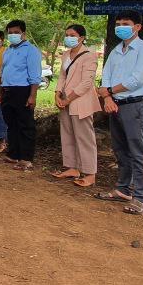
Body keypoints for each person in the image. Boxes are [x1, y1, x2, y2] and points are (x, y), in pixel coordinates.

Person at [96, 10, 143, 215]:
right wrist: (107, 98)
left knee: (138, 151)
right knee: (120, 149)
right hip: (114, 105)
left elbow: (137, 80)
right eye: (118, 24)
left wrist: (109, 91)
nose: (120, 27)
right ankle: (123, 189)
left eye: (126, 24)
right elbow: (106, 75)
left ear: (137, 27)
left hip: (134, 106)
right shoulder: (116, 50)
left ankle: (140, 197)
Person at [52, 24, 100, 188]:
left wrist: (69, 99)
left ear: (81, 37)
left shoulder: (89, 56)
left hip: (80, 101)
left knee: (84, 137)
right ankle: (73, 167)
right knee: (67, 134)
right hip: (65, 99)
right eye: (67, 35)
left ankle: (90, 173)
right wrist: (58, 93)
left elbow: (86, 82)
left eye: (72, 35)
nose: (68, 38)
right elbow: (62, 76)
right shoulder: (66, 54)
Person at [0, 19, 42, 171]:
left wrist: (32, 95)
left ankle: (26, 158)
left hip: (23, 90)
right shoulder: (8, 50)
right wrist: (0, 91)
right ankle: (13, 154)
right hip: (7, 90)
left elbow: (35, 75)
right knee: (11, 124)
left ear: (23, 33)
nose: (13, 35)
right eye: (10, 33)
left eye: (16, 32)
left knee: (25, 125)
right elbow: (3, 71)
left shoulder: (31, 51)